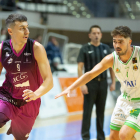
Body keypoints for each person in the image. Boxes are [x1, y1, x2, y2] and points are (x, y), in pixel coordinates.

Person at [55, 26, 139, 140]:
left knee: (124, 135)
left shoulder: (138, 54)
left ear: (129, 42)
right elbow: (90, 74)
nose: (117, 45)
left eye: (121, 42)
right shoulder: (111, 59)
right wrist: (71, 87)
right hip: (123, 100)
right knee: (114, 137)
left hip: (138, 102)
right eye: (115, 42)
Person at [0, 14, 53, 140]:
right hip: (8, 95)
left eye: (27, 27)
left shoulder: (37, 48)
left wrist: (36, 94)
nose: (27, 31)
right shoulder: (2, 48)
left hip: (29, 102)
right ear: (10, 31)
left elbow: (49, 81)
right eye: (22, 28)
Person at [77, 25, 115, 140]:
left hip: (103, 84)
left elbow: (111, 67)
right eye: (94, 33)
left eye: (98, 33)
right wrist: (82, 84)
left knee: (101, 112)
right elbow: (79, 68)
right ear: (89, 35)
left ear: (101, 35)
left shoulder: (106, 49)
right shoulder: (84, 48)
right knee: (87, 112)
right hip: (90, 84)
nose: (96, 35)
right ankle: (85, 137)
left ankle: (100, 137)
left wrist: (113, 82)